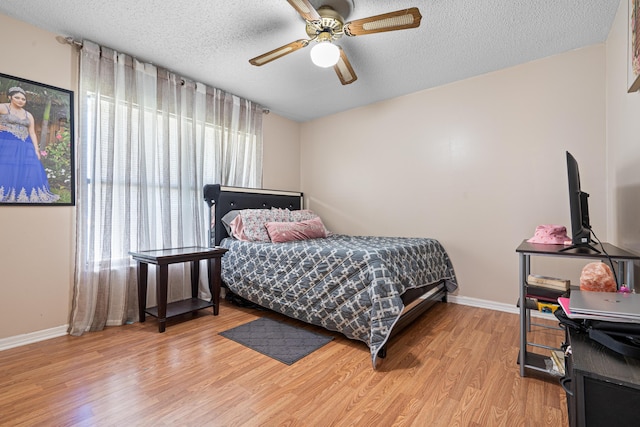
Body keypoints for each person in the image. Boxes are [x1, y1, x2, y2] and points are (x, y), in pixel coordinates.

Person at [0, 86, 59, 202]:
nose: (20, 101)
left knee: (23, 168)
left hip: (24, 144)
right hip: (6, 142)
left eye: (23, 99)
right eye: (17, 97)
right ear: (10, 97)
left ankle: (19, 191)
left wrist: (36, 150)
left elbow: (32, 132)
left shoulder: (28, 115)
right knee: (6, 166)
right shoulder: (2, 107)